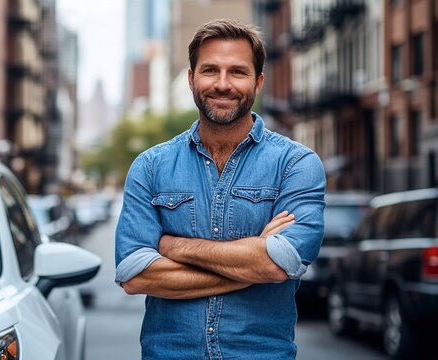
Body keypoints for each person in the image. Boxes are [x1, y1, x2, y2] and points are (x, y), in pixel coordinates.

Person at [115, 19, 326, 359]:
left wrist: (174, 247)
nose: (223, 84)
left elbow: (278, 264)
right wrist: (254, 260)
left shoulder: (296, 164)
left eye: (238, 72)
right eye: (210, 70)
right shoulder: (150, 167)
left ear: (258, 82)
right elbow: (135, 276)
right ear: (191, 79)